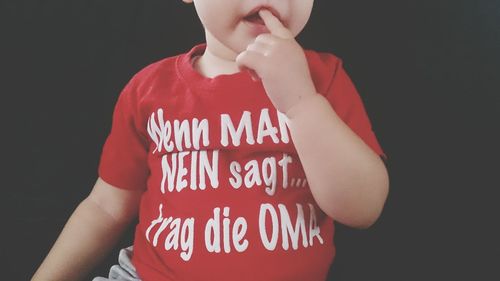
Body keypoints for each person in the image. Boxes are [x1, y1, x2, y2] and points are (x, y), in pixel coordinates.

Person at [32, 0, 389, 280]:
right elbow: (106, 208)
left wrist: (302, 105)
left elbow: (363, 209)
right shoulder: (149, 90)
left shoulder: (320, 80)